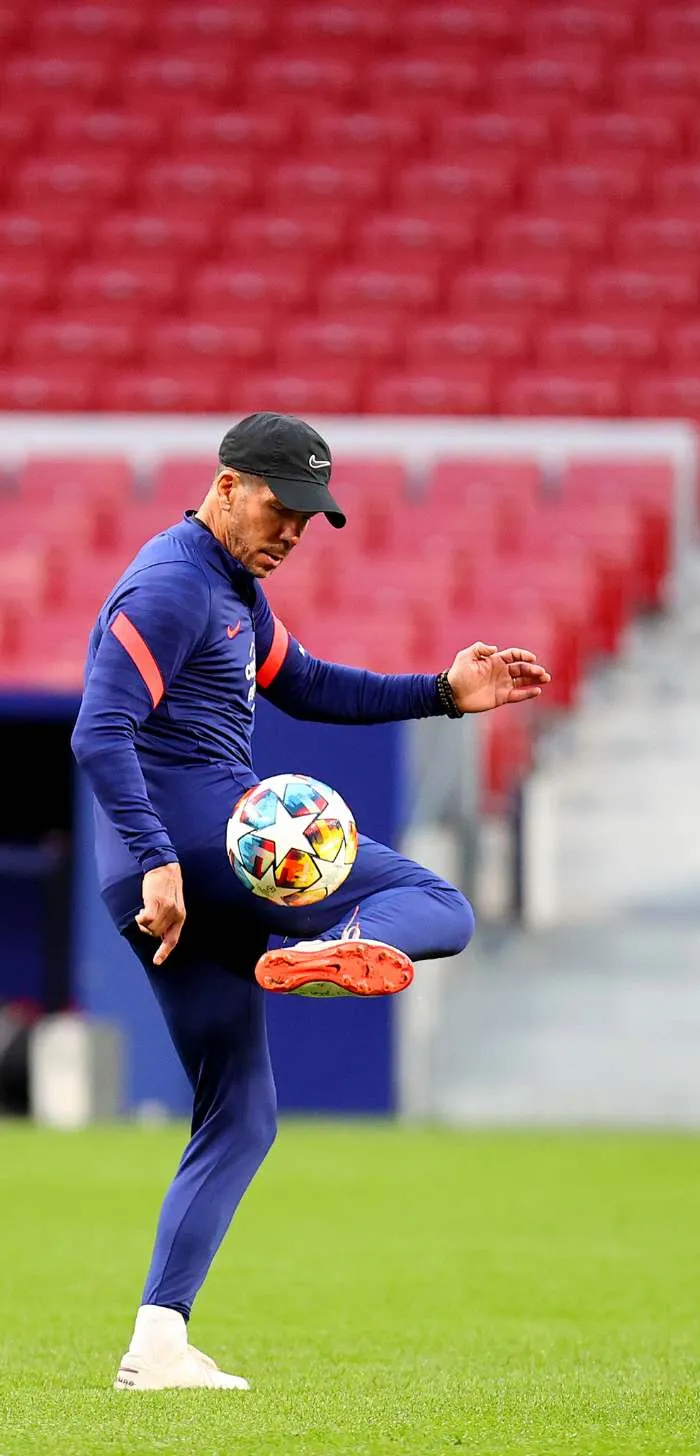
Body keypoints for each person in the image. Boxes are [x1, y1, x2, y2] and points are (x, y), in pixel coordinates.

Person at [70, 411, 551, 1392]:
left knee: (238, 1114)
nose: (294, 528)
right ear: (226, 482)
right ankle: (342, 940)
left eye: (310, 515)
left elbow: (312, 684)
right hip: (203, 850)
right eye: (281, 506)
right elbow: (96, 730)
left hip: (160, 882)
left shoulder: (232, 588)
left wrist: (440, 694)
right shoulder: (170, 583)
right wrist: (164, 855)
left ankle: (158, 1342)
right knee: (439, 903)